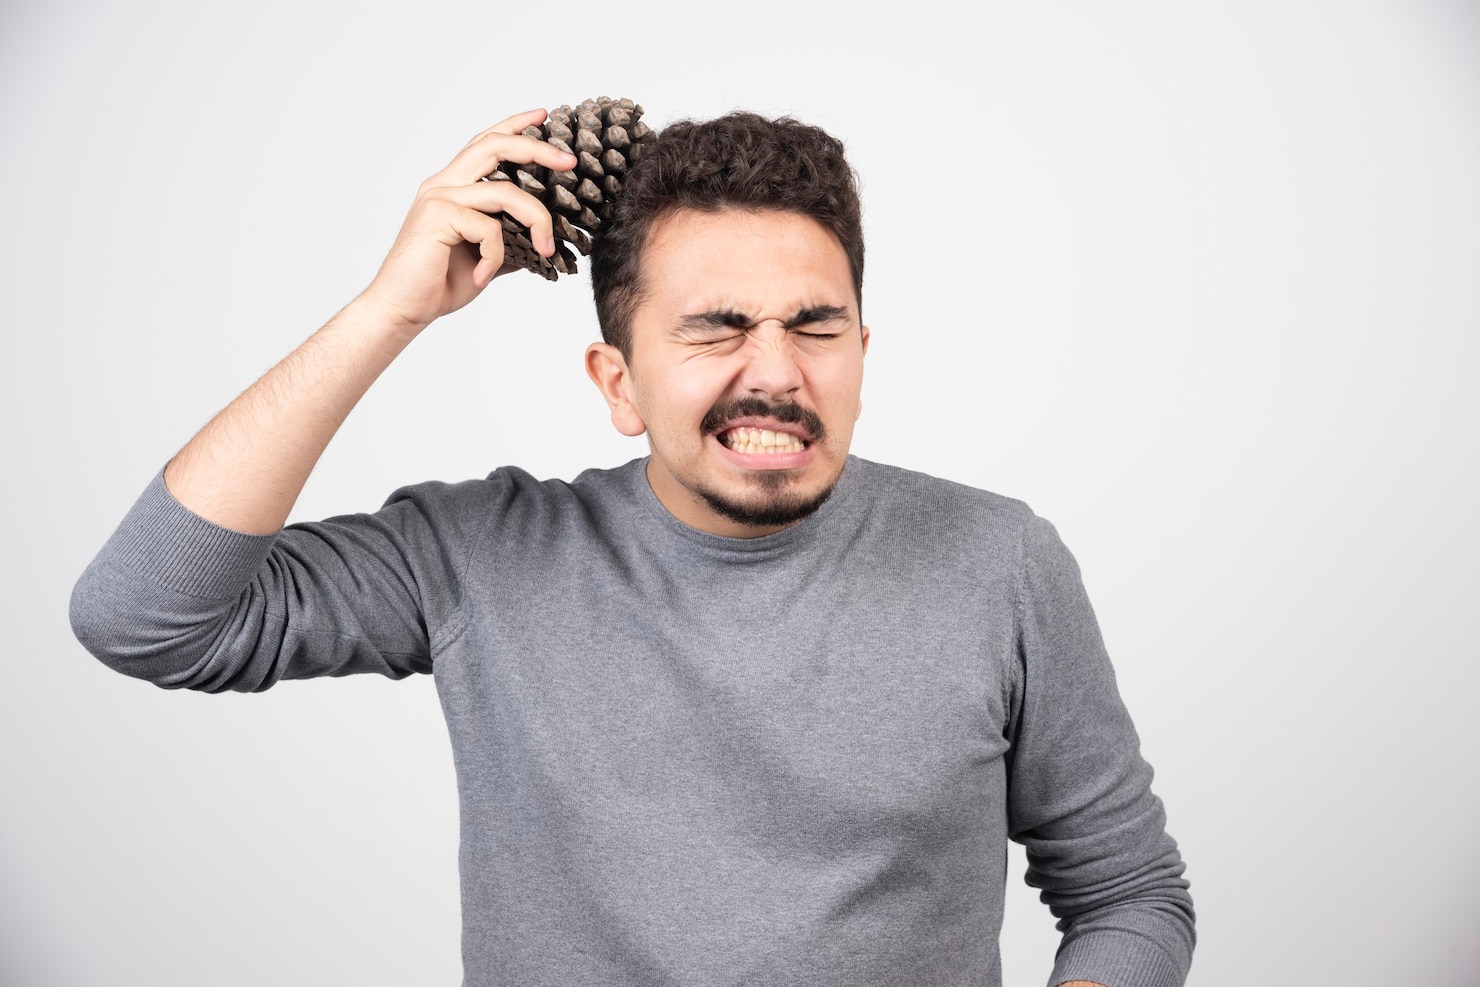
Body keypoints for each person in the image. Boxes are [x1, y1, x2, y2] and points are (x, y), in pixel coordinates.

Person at [71, 107, 1195, 987]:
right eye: (714, 328)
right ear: (618, 382)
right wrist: (388, 311)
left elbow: (1130, 895)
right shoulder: (478, 557)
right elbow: (145, 618)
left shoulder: (997, 561)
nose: (774, 371)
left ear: (860, 348)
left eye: (815, 326)